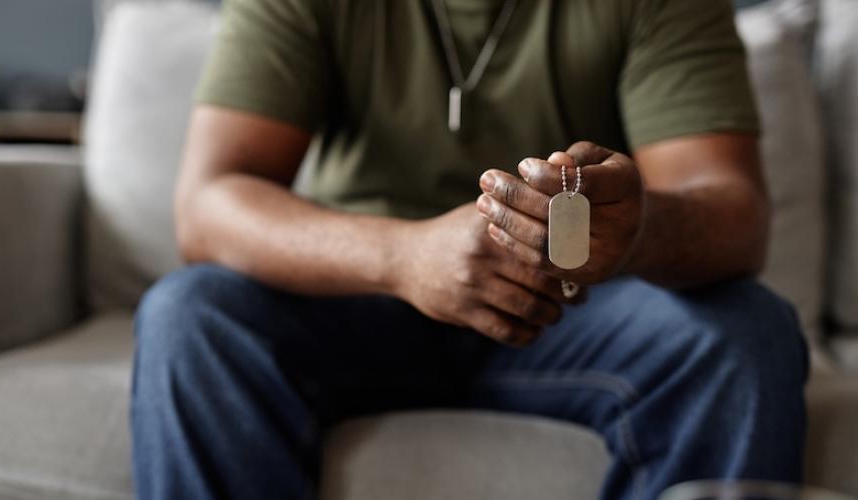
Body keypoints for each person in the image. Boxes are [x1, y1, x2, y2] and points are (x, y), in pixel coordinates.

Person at [130, 0, 808, 499]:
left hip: (575, 306)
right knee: (191, 316)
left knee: (744, 335)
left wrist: (637, 230)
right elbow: (210, 201)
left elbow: (734, 214)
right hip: (355, 296)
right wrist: (402, 257)